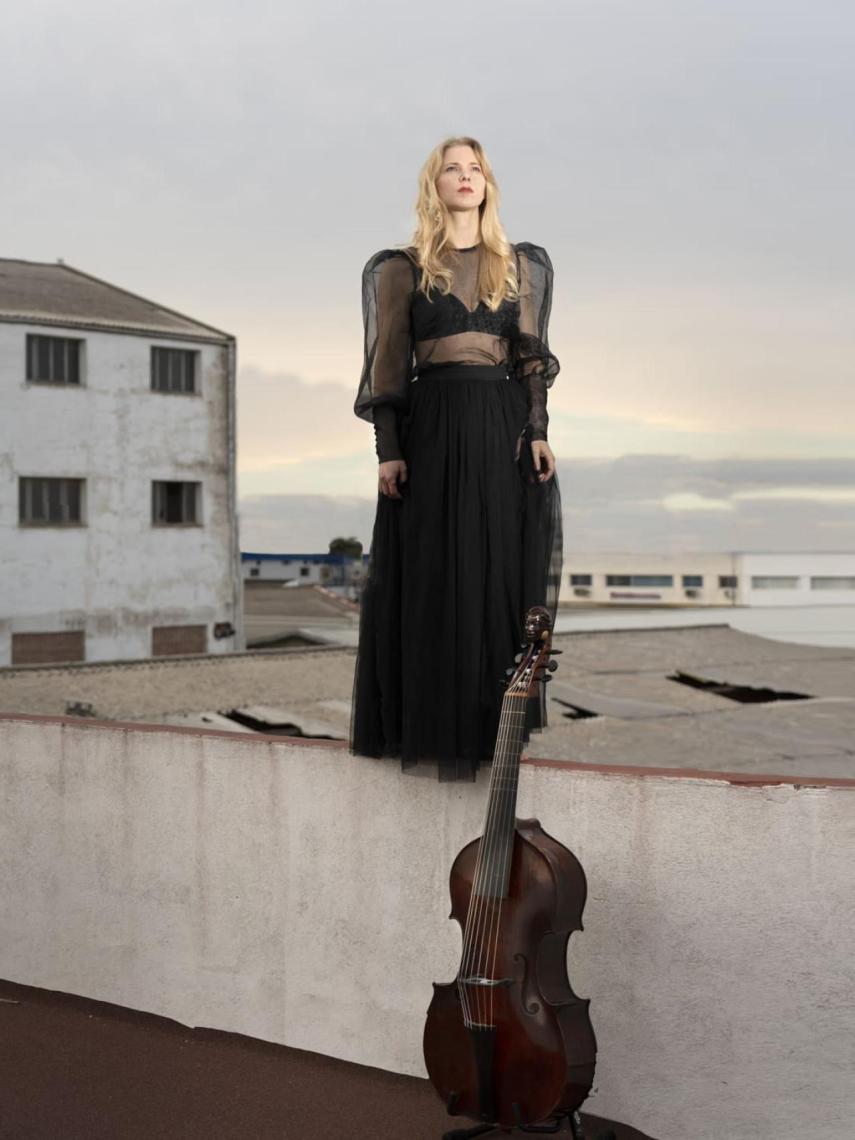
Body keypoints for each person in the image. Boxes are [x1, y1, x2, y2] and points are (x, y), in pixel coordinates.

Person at [348, 135, 563, 782]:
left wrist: (537, 431)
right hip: (432, 427)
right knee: (436, 574)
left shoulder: (519, 263)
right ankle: (430, 723)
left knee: (496, 571)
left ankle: (492, 726)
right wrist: (388, 451)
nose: (464, 177)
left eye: (474, 169)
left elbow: (529, 356)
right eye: (452, 169)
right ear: (433, 185)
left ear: (486, 184)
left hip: (500, 425)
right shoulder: (401, 267)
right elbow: (385, 364)